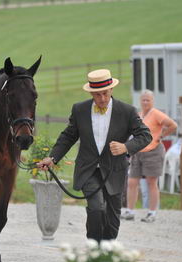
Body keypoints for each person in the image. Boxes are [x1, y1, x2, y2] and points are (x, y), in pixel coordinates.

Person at [37, 69, 151, 241]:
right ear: (91, 93)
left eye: (105, 94)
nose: (102, 99)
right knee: (97, 208)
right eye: (97, 95)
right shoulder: (79, 110)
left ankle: (107, 250)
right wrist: (53, 158)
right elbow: (68, 136)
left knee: (112, 220)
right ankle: (94, 248)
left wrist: (126, 147)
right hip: (88, 170)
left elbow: (145, 135)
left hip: (115, 170)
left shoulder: (127, 111)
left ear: (111, 90)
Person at [121, 90, 177, 222]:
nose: (145, 102)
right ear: (140, 101)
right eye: (144, 100)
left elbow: (173, 125)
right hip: (138, 152)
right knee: (132, 181)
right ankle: (130, 211)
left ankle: (152, 213)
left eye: (148, 100)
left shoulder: (156, 114)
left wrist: (161, 136)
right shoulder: (139, 115)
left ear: (153, 101)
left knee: (151, 182)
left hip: (153, 152)